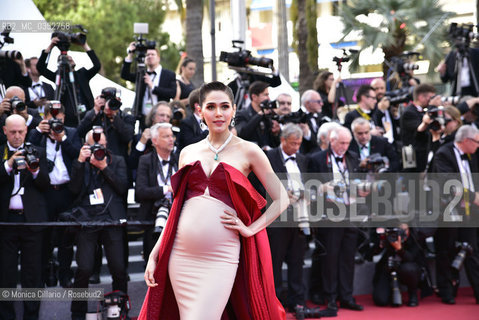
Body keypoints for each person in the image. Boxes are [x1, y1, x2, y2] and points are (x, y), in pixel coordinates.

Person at [137, 81, 289, 320]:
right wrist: (156, 253)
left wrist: (250, 229)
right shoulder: (187, 152)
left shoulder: (250, 151)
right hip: (181, 255)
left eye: (224, 106)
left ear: (234, 110)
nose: (218, 113)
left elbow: (281, 199)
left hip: (222, 255)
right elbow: (176, 208)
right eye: (211, 107)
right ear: (200, 111)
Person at [69, 130, 129, 320]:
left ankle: (121, 309)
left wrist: (104, 167)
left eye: (102, 146)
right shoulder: (80, 162)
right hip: (87, 220)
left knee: (119, 268)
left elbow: (122, 188)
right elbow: (73, 190)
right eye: (94, 146)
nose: (98, 150)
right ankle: (77, 313)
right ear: (85, 146)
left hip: (111, 220)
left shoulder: (117, 161)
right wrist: (80, 162)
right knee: (84, 268)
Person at [308, 126, 367, 315]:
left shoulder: (352, 157)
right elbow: (310, 187)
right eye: (341, 143)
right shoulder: (317, 159)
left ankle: (347, 296)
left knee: (348, 258)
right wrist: (323, 189)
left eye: (347, 143)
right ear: (331, 141)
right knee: (331, 258)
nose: (344, 146)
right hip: (329, 215)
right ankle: (331, 297)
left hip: (350, 213)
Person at [0, 114, 49, 320]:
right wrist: (8, 164)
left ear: (27, 131)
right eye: (13, 132)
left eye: (21, 131)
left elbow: (46, 185)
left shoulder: (38, 152)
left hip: (32, 221)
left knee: (32, 274)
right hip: (5, 222)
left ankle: (31, 316)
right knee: (5, 275)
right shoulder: (1, 152)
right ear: (5, 131)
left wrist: (35, 170)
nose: (17, 136)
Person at [27, 102, 81, 288]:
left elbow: (77, 156)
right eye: (51, 119)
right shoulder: (39, 135)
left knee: (66, 237)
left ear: (64, 118)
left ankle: (65, 275)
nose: (55, 123)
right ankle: (45, 274)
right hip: (45, 192)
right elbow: (27, 150)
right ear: (45, 119)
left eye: (58, 119)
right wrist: (37, 131)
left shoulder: (71, 133)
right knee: (45, 237)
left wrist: (62, 139)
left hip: (66, 192)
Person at [265, 123, 316, 316]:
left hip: (300, 218)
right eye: (293, 143)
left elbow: (307, 182)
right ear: (283, 140)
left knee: (297, 262)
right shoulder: (269, 158)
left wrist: (307, 195)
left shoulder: (302, 159)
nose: (296, 147)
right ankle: (274, 302)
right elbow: (259, 186)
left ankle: (298, 302)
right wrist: (280, 195)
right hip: (277, 219)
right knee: (275, 263)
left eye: (299, 144)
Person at [432, 125, 479, 305]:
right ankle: (447, 292)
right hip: (449, 209)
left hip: (471, 212)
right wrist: (473, 196)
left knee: (472, 251)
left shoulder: (473, 154)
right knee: (447, 250)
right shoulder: (443, 154)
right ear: (466, 141)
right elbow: (448, 184)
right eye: (476, 142)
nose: (478, 145)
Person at [135, 122, 178, 264]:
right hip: (152, 218)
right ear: (154, 141)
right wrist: (166, 189)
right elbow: (140, 192)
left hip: (177, 216)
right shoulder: (145, 160)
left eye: (172, 136)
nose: (171, 139)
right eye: (166, 136)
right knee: (153, 262)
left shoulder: (180, 159)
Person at [36, 37, 101, 127]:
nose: (69, 59)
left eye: (70, 58)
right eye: (66, 59)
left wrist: (84, 45)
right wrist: (50, 46)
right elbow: (40, 68)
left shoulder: (82, 74)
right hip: (68, 122)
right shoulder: (58, 77)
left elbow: (97, 66)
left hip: (86, 118)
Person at [372, 223, 428, 307]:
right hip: (388, 266)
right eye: (398, 230)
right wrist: (380, 244)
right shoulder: (388, 234)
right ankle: (391, 292)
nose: (401, 234)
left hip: (408, 268)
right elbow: (370, 254)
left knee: (409, 269)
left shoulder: (416, 237)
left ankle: (413, 294)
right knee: (381, 300)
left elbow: (412, 257)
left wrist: (399, 249)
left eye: (404, 230)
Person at [121, 42, 177, 127]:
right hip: (143, 117)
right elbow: (125, 75)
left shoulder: (168, 74)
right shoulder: (141, 74)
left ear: (158, 58)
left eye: (152, 54)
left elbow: (172, 93)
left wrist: (153, 87)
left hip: (161, 118)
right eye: (147, 55)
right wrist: (130, 55)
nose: (149, 56)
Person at [400, 84, 441, 172]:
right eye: (431, 97)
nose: (431, 100)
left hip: (425, 152)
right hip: (414, 157)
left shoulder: (422, 111)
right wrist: (432, 107)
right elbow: (421, 129)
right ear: (421, 97)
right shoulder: (409, 112)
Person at [235, 80, 281, 151]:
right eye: (265, 95)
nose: (268, 98)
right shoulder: (241, 114)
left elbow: (276, 144)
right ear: (254, 97)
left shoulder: (269, 115)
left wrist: (276, 133)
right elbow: (243, 133)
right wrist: (260, 114)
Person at [298, 89, 326, 154]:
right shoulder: (298, 117)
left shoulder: (321, 117)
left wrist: (308, 134)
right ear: (308, 103)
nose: (322, 104)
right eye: (318, 101)